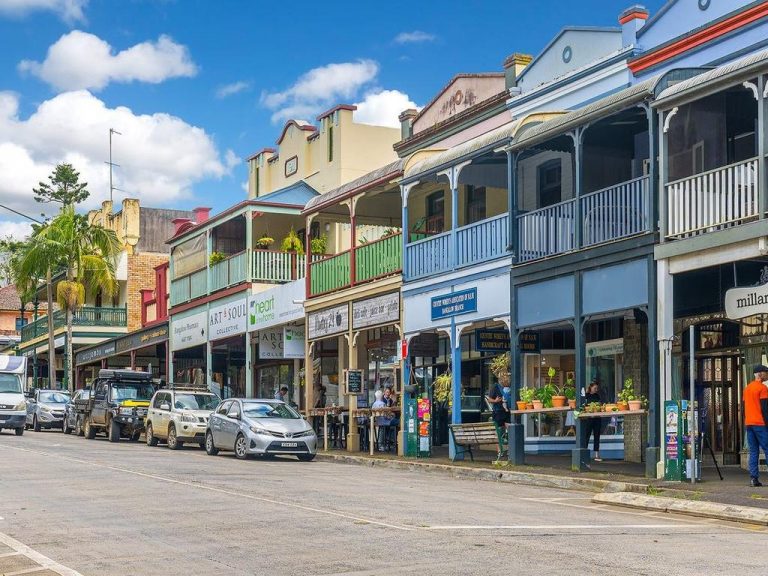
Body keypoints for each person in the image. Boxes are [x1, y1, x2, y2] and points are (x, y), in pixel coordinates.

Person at [744, 364, 768, 487]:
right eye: (766, 372)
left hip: (749, 424)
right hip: (760, 423)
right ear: (760, 374)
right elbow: (764, 409)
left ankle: (753, 479)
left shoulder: (747, 388)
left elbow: (746, 407)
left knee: (753, 451)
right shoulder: (763, 388)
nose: (767, 374)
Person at [583, 380, 603, 462]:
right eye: (595, 388)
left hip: (597, 418)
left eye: (597, 388)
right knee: (586, 435)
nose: (596, 389)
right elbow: (584, 406)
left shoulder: (597, 396)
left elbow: (599, 405)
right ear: (590, 387)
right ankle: (584, 453)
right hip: (589, 418)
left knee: (597, 435)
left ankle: (596, 454)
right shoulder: (586, 396)